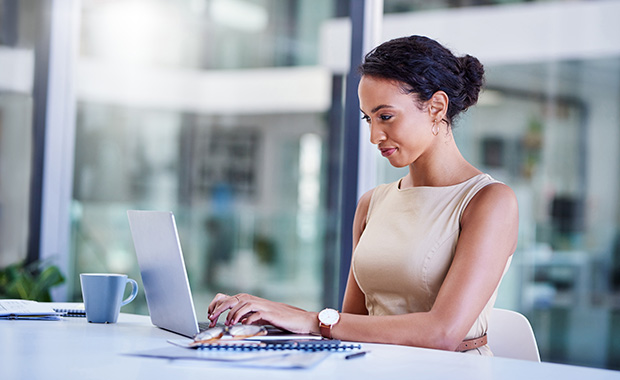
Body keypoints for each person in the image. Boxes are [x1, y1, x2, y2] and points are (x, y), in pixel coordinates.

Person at [207, 35, 518, 355]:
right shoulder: (373, 203)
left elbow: (442, 333)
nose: (373, 136)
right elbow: (350, 323)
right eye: (368, 118)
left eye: (385, 116)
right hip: (369, 365)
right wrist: (267, 316)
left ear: (436, 107)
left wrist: (310, 320)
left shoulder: (489, 201)